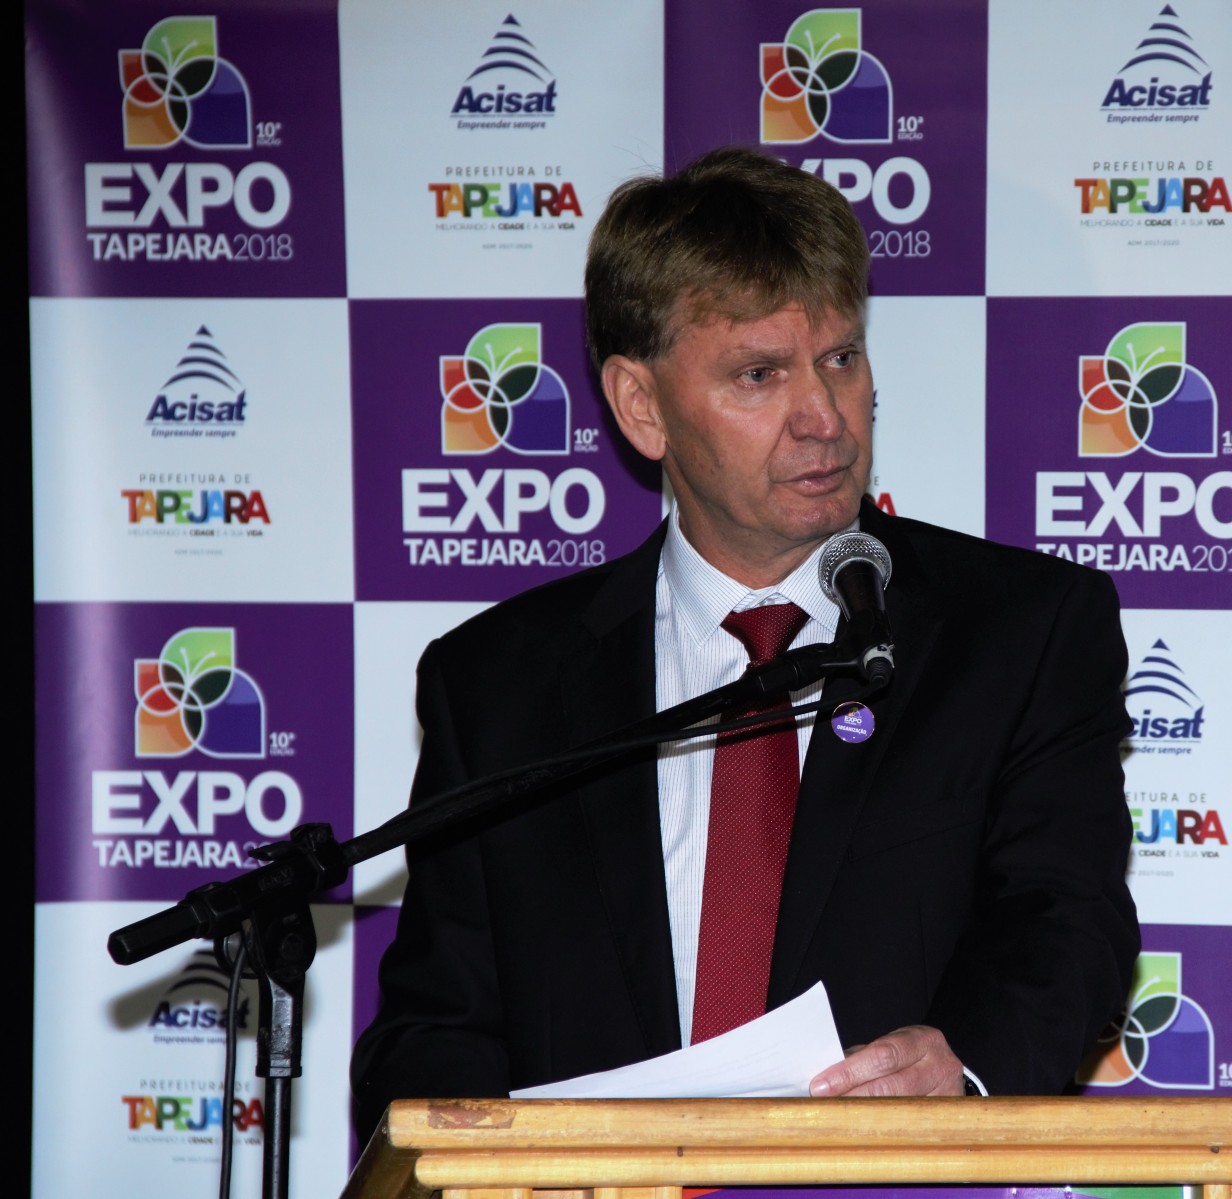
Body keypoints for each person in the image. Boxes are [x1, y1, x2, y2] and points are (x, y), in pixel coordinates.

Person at [350, 147, 1138, 1145]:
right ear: (642, 406)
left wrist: (963, 1067)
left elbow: (1067, 922)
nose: (824, 419)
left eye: (841, 358)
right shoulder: (496, 683)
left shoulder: (1019, 630)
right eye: (759, 374)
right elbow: (437, 1026)